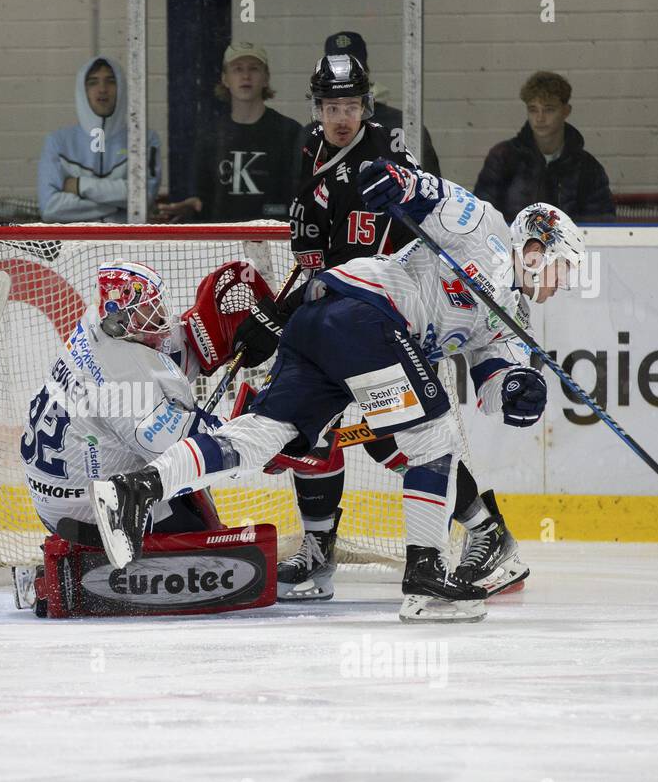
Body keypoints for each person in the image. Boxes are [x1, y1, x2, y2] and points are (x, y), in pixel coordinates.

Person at [90, 161, 585, 625]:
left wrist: (520, 390)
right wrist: (397, 179)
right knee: (433, 437)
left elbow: (496, 380)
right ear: (538, 250)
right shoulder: (485, 227)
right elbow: (427, 192)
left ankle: (137, 490)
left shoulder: (511, 319)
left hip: (323, 321)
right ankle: (427, 581)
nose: (564, 283)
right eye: (564, 267)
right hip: (364, 310)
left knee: (263, 435)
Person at [277, 53, 525, 602]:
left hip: (392, 319)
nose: (341, 116)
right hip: (342, 308)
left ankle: (486, 530)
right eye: (330, 106)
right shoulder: (310, 150)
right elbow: (315, 243)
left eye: (350, 105)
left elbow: (427, 202)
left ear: (366, 106)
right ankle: (319, 553)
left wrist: (407, 189)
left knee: (397, 437)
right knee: (313, 428)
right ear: (316, 108)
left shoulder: (388, 148)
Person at [14, 257, 267, 613]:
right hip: (89, 509)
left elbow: (155, 357)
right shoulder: (124, 380)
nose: (160, 318)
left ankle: (74, 563)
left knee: (176, 476)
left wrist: (210, 339)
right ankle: (62, 576)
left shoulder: (96, 325)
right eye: (148, 311)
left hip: (59, 494)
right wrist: (259, 428)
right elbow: (188, 444)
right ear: (122, 317)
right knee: (193, 484)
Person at [156, 43, 302, 222]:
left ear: (266, 78)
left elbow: (298, 195)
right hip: (223, 242)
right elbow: (201, 197)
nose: (246, 76)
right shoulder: (210, 135)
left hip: (275, 240)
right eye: (237, 69)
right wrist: (192, 208)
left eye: (254, 69)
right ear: (225, 79)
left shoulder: (289, 132)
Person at [475, 70, 614, 224]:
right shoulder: (503, 158)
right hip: (512, 246)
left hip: (569, 247)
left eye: (549, 109)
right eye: (533, 109)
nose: (540, 118)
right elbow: (482, 216)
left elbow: (601, 225)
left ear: (566, 111)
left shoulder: (587, 168)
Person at [296, 32, 440, 178]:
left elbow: (432, 190)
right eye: (333, 107)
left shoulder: (403, 126)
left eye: (352, 73)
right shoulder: (311, 137)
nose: (342, 119)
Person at [37, 56, 161, 222]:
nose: (102, 89)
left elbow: (143, 198)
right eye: (93, 82)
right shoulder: (57, 143)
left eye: (110, 81)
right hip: (74, 246)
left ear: (122, 88)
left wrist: (80, 186)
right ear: (83, 91)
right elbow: (51, 208)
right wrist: (119, 203)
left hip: (127, 245)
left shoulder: (145, 140)